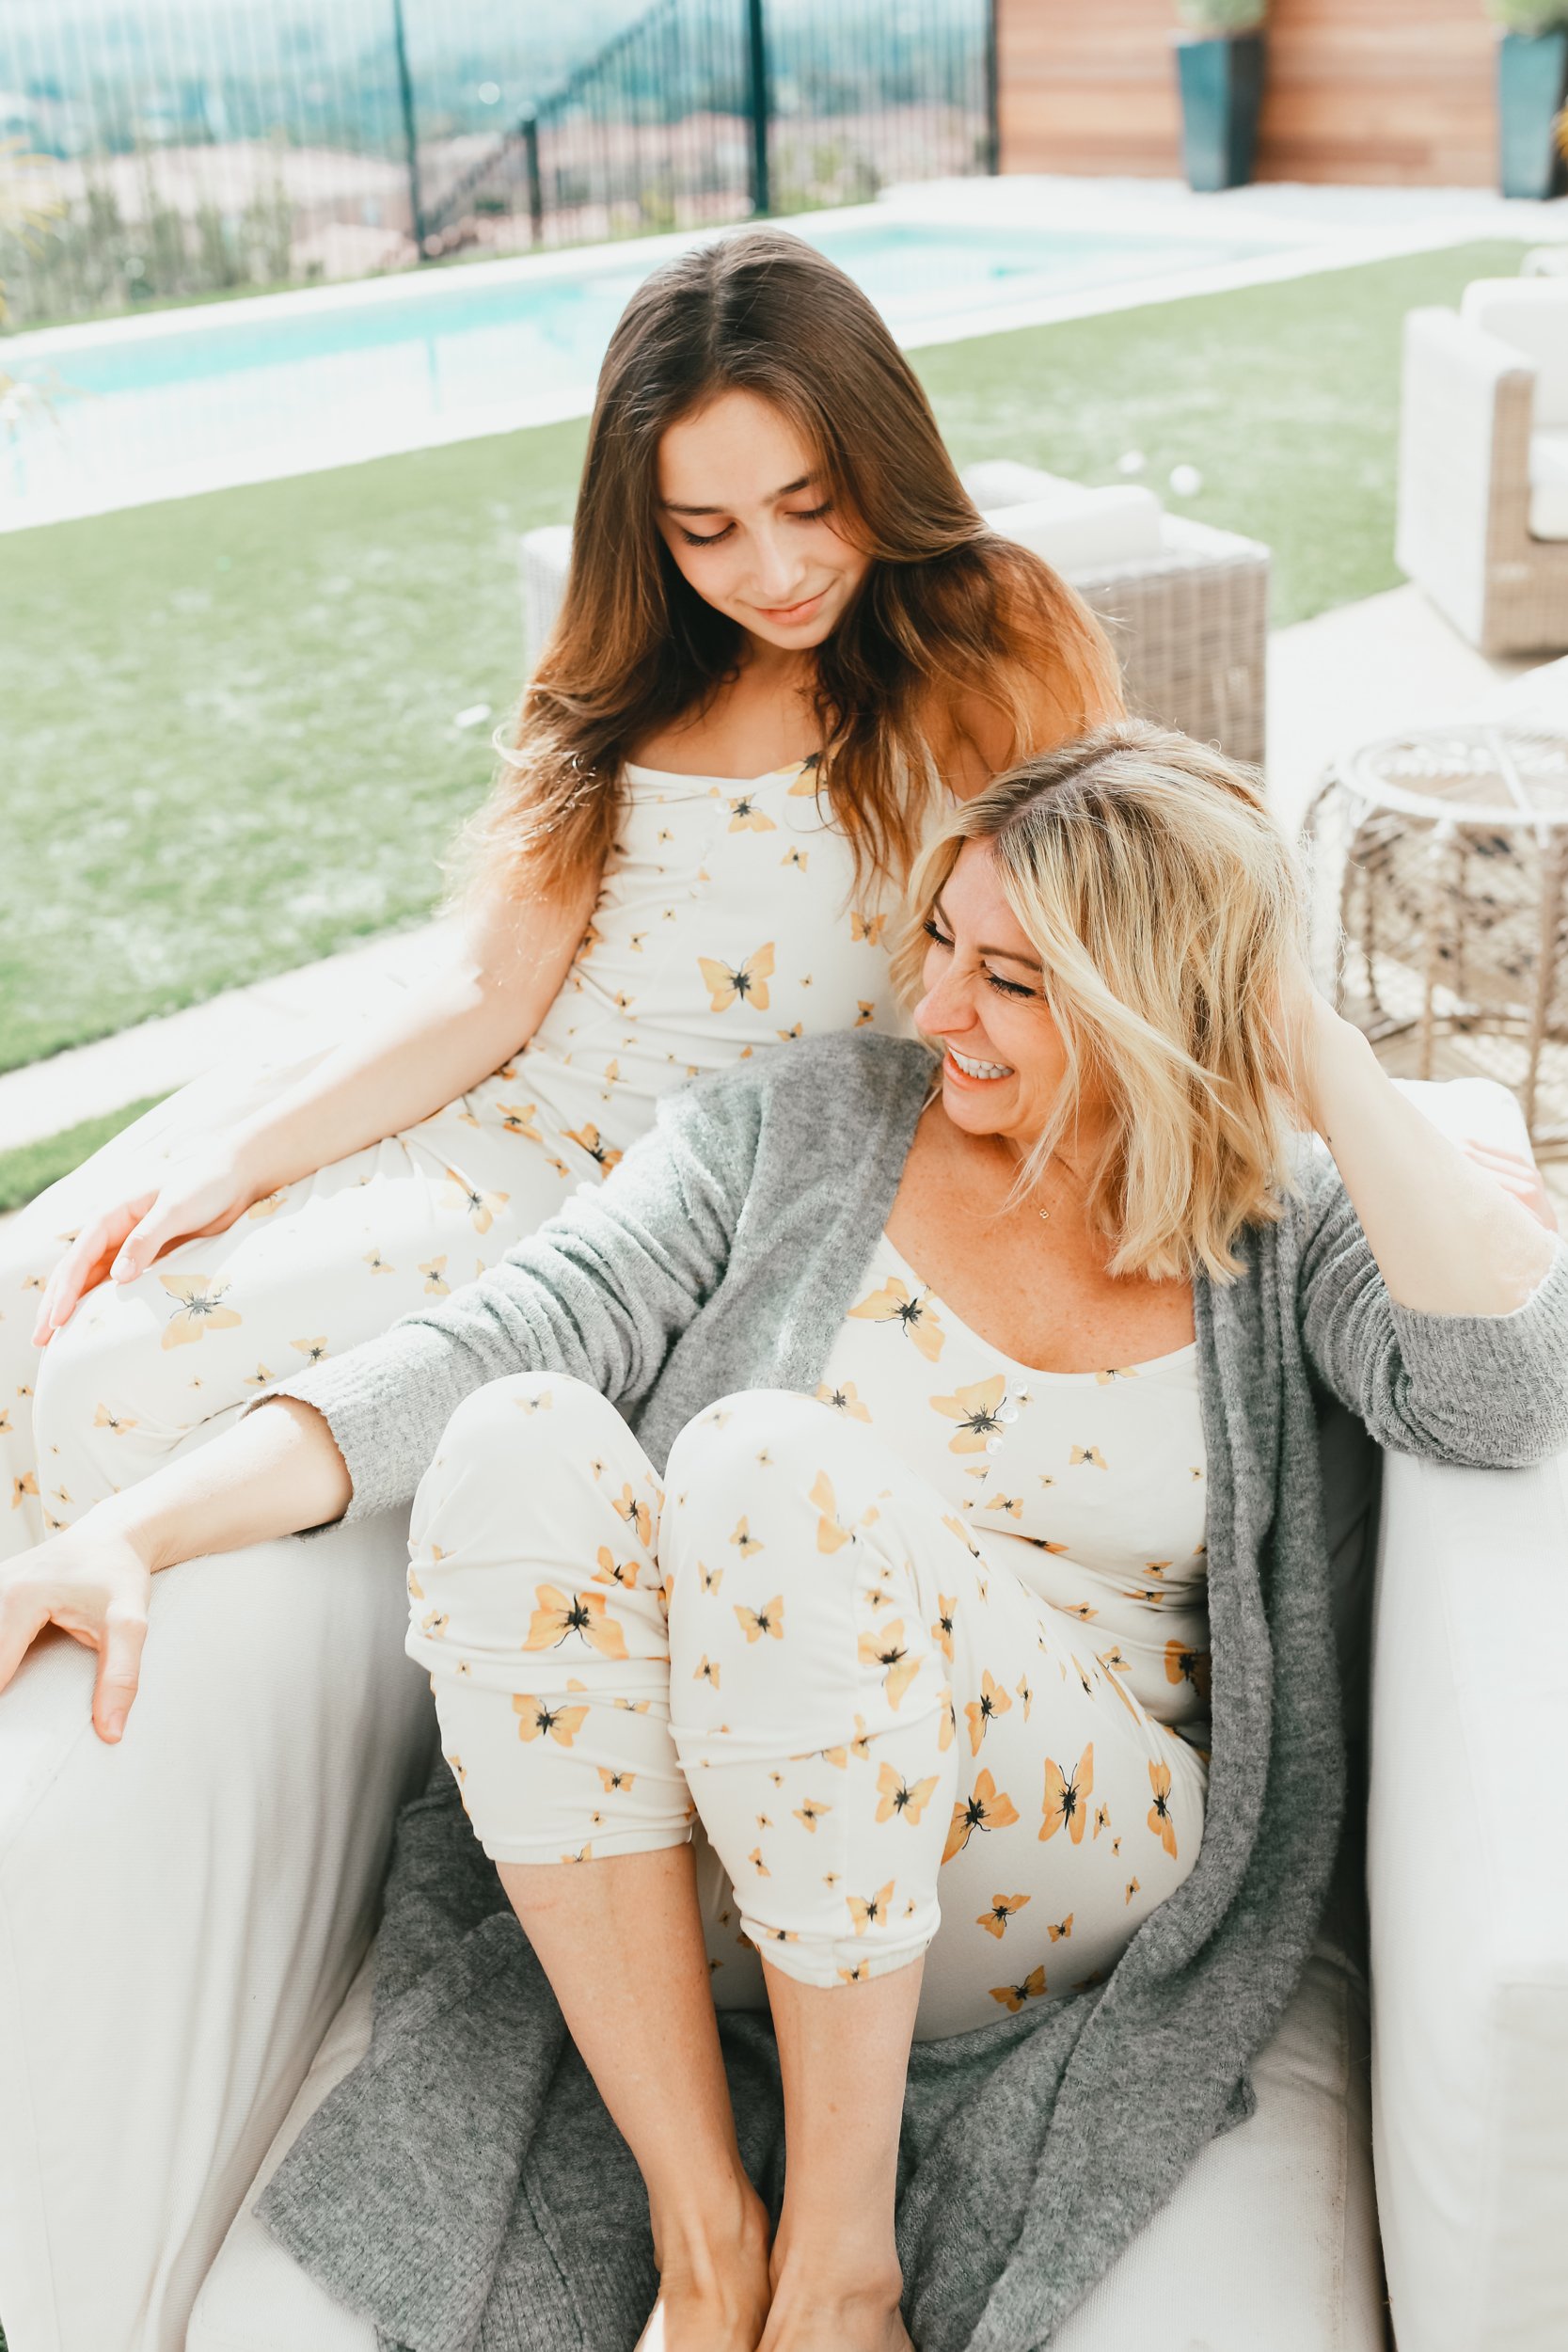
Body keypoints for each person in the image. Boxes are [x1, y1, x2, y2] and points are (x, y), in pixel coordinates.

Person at [4, 723, 1563, 2352]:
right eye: (945, 944)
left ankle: (842, 2266)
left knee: (768, 1469)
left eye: (1015, 982)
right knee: (517, 1437)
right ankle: (708, 2231)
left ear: (1153, 998)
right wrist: (126, 1525)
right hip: (727, 1820)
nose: (938, 1007)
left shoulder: (1275, 1220)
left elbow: (1505, 1396)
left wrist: (1299, 1033)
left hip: (1052, 1847)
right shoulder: (804, 1126)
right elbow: (494, 1333)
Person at [0, 225, 1118, 1563]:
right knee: (47, 1310)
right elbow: (487, 989)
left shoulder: (992, 636)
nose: (771, 570)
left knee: (108, 1384)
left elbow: (1112, 928)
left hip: (651, 1194)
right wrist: (241, 1164)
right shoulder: (633, 673)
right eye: (707, 530)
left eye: (808, 504)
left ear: (879, 453)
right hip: (504, 1126)